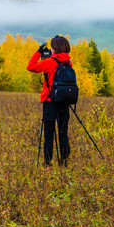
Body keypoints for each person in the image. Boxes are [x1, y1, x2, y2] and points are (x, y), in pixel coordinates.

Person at [27, 35, 72, 166]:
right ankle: (64, 162)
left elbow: (31, 66)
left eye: (52, 47)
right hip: (64, 101)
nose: (51, 49)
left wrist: (39, 51)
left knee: (49, 134)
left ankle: (47, 164)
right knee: (63, 132)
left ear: (55, 48)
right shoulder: (68, 62)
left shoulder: (49, 62)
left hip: (50, 101)